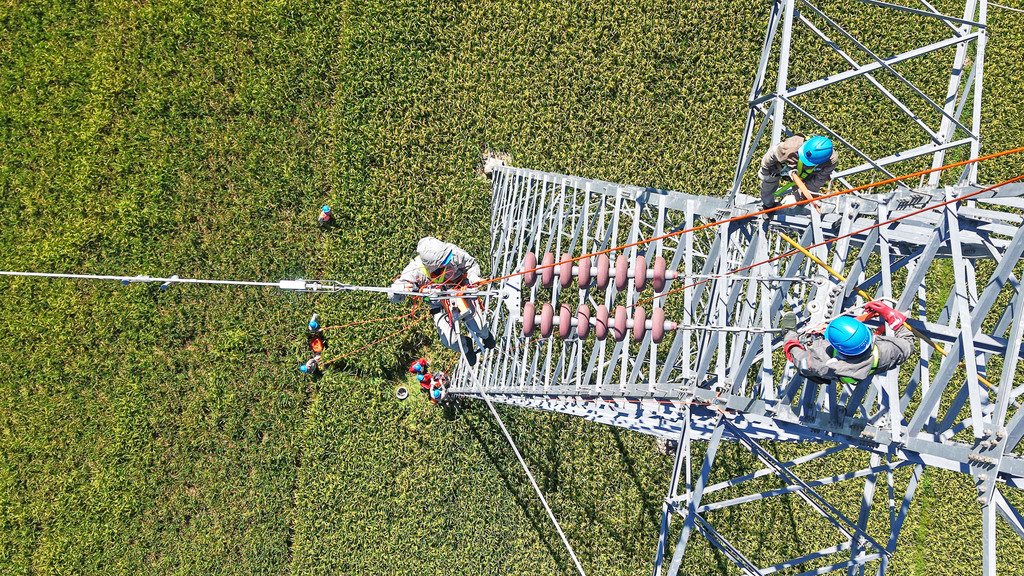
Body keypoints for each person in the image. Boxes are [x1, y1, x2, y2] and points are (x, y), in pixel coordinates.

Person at [389, 237, 496, 366]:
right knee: (449, 341)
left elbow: (471, 264)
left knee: (479, 326)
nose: (448, 261)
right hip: (439, 304)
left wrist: (474, 278)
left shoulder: (453, 252)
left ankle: (486, 335)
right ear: (431, 265)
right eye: (444, 261)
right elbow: (394, 296)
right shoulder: (415, 270)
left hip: (461, 291)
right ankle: (466, 346)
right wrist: (399, 290)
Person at [783, 300, 913, 387]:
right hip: (860, 368)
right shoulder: (886, 351)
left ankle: (791, 334)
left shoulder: (823, 363)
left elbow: (799, 360)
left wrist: (790, 337)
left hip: (837, 371)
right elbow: (907, 345)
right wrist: (892, 316)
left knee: (806, 371)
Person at [759, 135, 839, 210]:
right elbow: (771, 155)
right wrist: (764, 171)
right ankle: (768, 206)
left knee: (806, 200)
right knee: (768, 185)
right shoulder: (789, 147)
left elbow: (819, 180)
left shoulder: (831, 161)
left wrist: (798, 198)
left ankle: (801, 209)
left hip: (807, 175)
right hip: (782, 166)